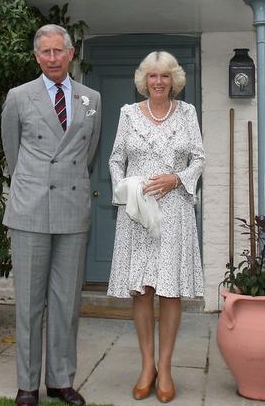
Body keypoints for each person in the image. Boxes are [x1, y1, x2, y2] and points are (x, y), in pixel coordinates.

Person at [1, 24, 102, 406]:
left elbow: (88, 154)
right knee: (28, 303)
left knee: (66, 302)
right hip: (30, 210)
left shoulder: (91, 98)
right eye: (45, 52)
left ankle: (61, 380)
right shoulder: (18, 97)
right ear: (36, 56)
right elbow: (13, 152)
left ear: (71, 53)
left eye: (59, 51)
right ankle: (27, 385)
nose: (53, 58)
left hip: (72, 211)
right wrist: (34, 184)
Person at [107, 51, 204, 404]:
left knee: (170, 290)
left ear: (174, 80)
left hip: (175, 211)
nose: (159, 82)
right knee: (142, 289)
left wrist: (177, 179)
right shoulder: (128, 114)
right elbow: (116, 158)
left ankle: (166, 367)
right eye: (152, 76)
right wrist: (125, 189)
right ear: (144, 80)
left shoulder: (188, 113)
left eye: (165, 76)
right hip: (137, 214)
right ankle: (147, 367)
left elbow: (199, 159)